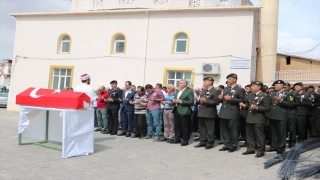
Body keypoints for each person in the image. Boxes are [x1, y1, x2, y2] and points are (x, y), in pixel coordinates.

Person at [240, 81, 271, 158]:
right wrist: (244, 106)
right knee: (249, 134)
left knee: (259, 135)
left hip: (259, 118)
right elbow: (248, 105)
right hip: (250, 117)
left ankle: (260, 151)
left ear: (259, 87)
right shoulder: (250, 95)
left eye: (253, 86)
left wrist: (257, 107)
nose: (251, 87)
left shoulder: (264, 96)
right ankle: (250, 149)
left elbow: (267, 108)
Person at [218, 73, 245, 153]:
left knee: (233, 130)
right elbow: (224, 100)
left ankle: (233, 145)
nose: (228, 80)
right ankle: (226, 144)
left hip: (232, 111)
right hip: (224, 111)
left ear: (234, 80)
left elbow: (242, 100)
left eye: (229, 79)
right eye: (227, 79)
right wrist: (220, 99)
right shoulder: (226, 89)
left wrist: (231, 99)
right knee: (224, 129)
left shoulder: (239, 89)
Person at [266, 80, 293, 154]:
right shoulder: (272, 93)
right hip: (272, 115)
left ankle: (281, 147)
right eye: (274, 85)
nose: (275, 86)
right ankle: (273, 146)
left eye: (276, 85)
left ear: (282, 86)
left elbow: (291, 105)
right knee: (273, 132)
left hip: (282, 115)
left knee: (282, 132)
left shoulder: (288, 94)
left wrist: (281, 100)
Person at [194, 77, 220, 149]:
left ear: (210, 82)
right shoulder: (204, 90)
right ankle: (203, 141)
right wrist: (199, 101)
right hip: (202, 111)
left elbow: (216, 102)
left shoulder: (215, 91)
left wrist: (206, 101)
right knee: (202, 128)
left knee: (210, 128)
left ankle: (210, 142)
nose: (204, 83)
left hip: (209, 112)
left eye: (205, 81)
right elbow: (201, 100)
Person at [170, 80, 194, 146]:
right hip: (177, 109)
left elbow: (191, 101)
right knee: (177, 125)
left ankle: (185, 140)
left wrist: (181, 101)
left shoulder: (189, 92)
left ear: (185, 84)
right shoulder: (178, 91)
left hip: (185, 110)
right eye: (179, 83)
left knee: (185, 126)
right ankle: (177, 138)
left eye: (180, 83)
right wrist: (174, 101)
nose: (179, 84)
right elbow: (176, 99)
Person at [284, 82, 298, 148]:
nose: (285, 88)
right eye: (283, 87)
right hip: (283, 114)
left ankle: (292, 143)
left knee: (292, 129)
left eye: (286, 87)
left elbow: (296, 103)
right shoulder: (281, 94)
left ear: (289, 87)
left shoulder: (294, 94)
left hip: (292, 114)